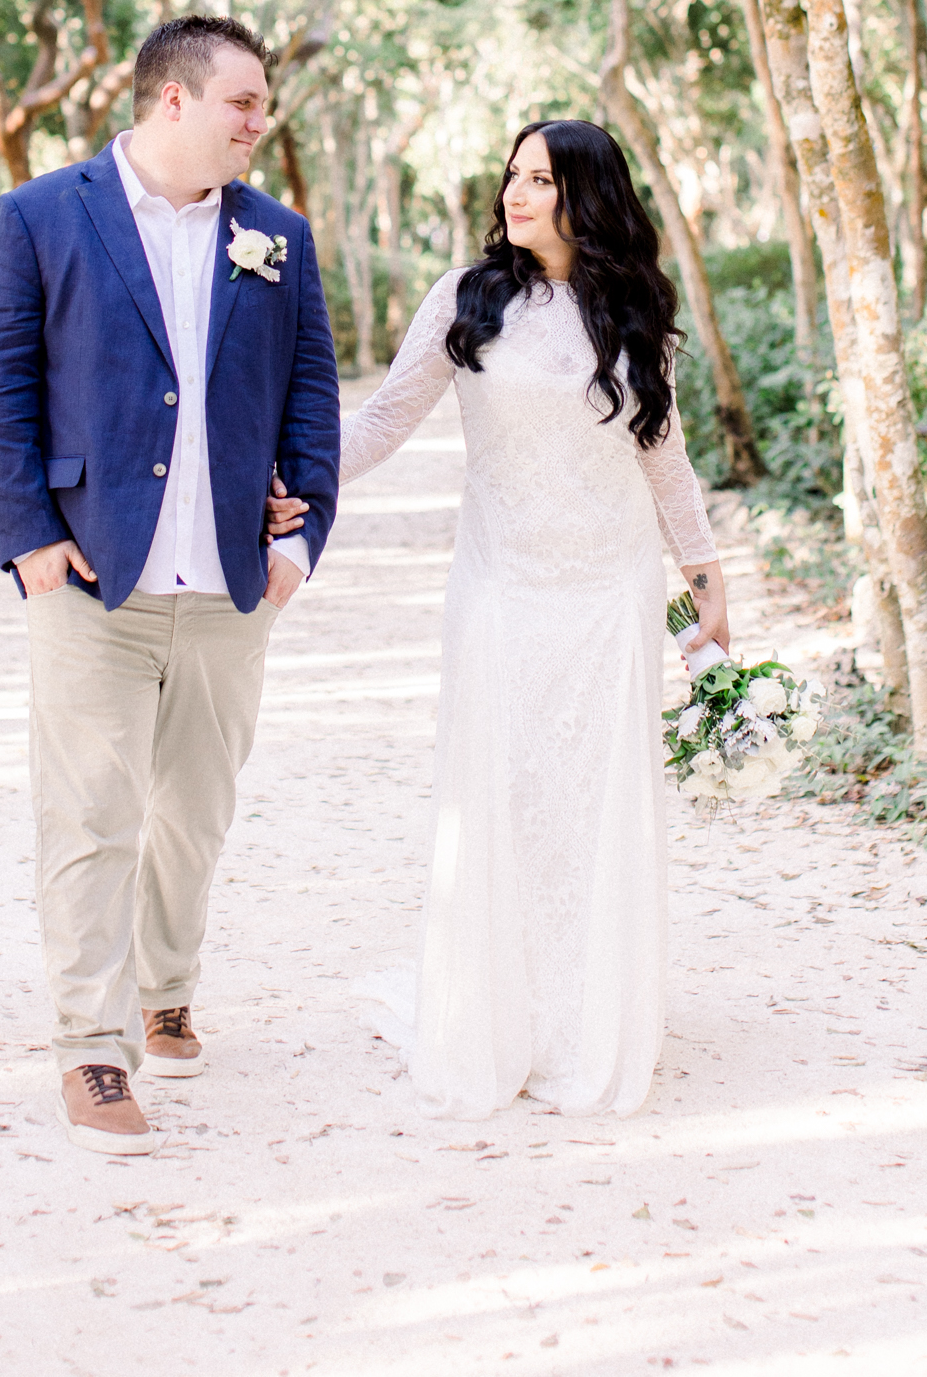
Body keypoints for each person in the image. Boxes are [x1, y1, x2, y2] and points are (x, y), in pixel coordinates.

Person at [281, 117, 729, 1120]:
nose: (514, 194)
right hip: (500, 583)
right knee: (504, 786)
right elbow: (387, 416)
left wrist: (700, 567)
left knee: (587, 796)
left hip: (608, 588)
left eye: (539, 178)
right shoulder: (467, 297)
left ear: (588, 195)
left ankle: (581, 1015)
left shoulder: (632, 311)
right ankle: (497, 1009)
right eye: (511, 175)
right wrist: (295, 481)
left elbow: (661, 451)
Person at [0, 15, 340, 1155]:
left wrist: (300, 537)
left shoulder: (278, 236)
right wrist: (28, 538)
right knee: (89, 814)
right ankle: (92, 1048)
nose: (256, 124)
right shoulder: (39, 216)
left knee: (194, 811)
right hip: (88, 576)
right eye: (241, 104)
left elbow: (310, 391)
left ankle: (166, 983)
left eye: (259, 106)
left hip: (229, 583)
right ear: (170, 101)